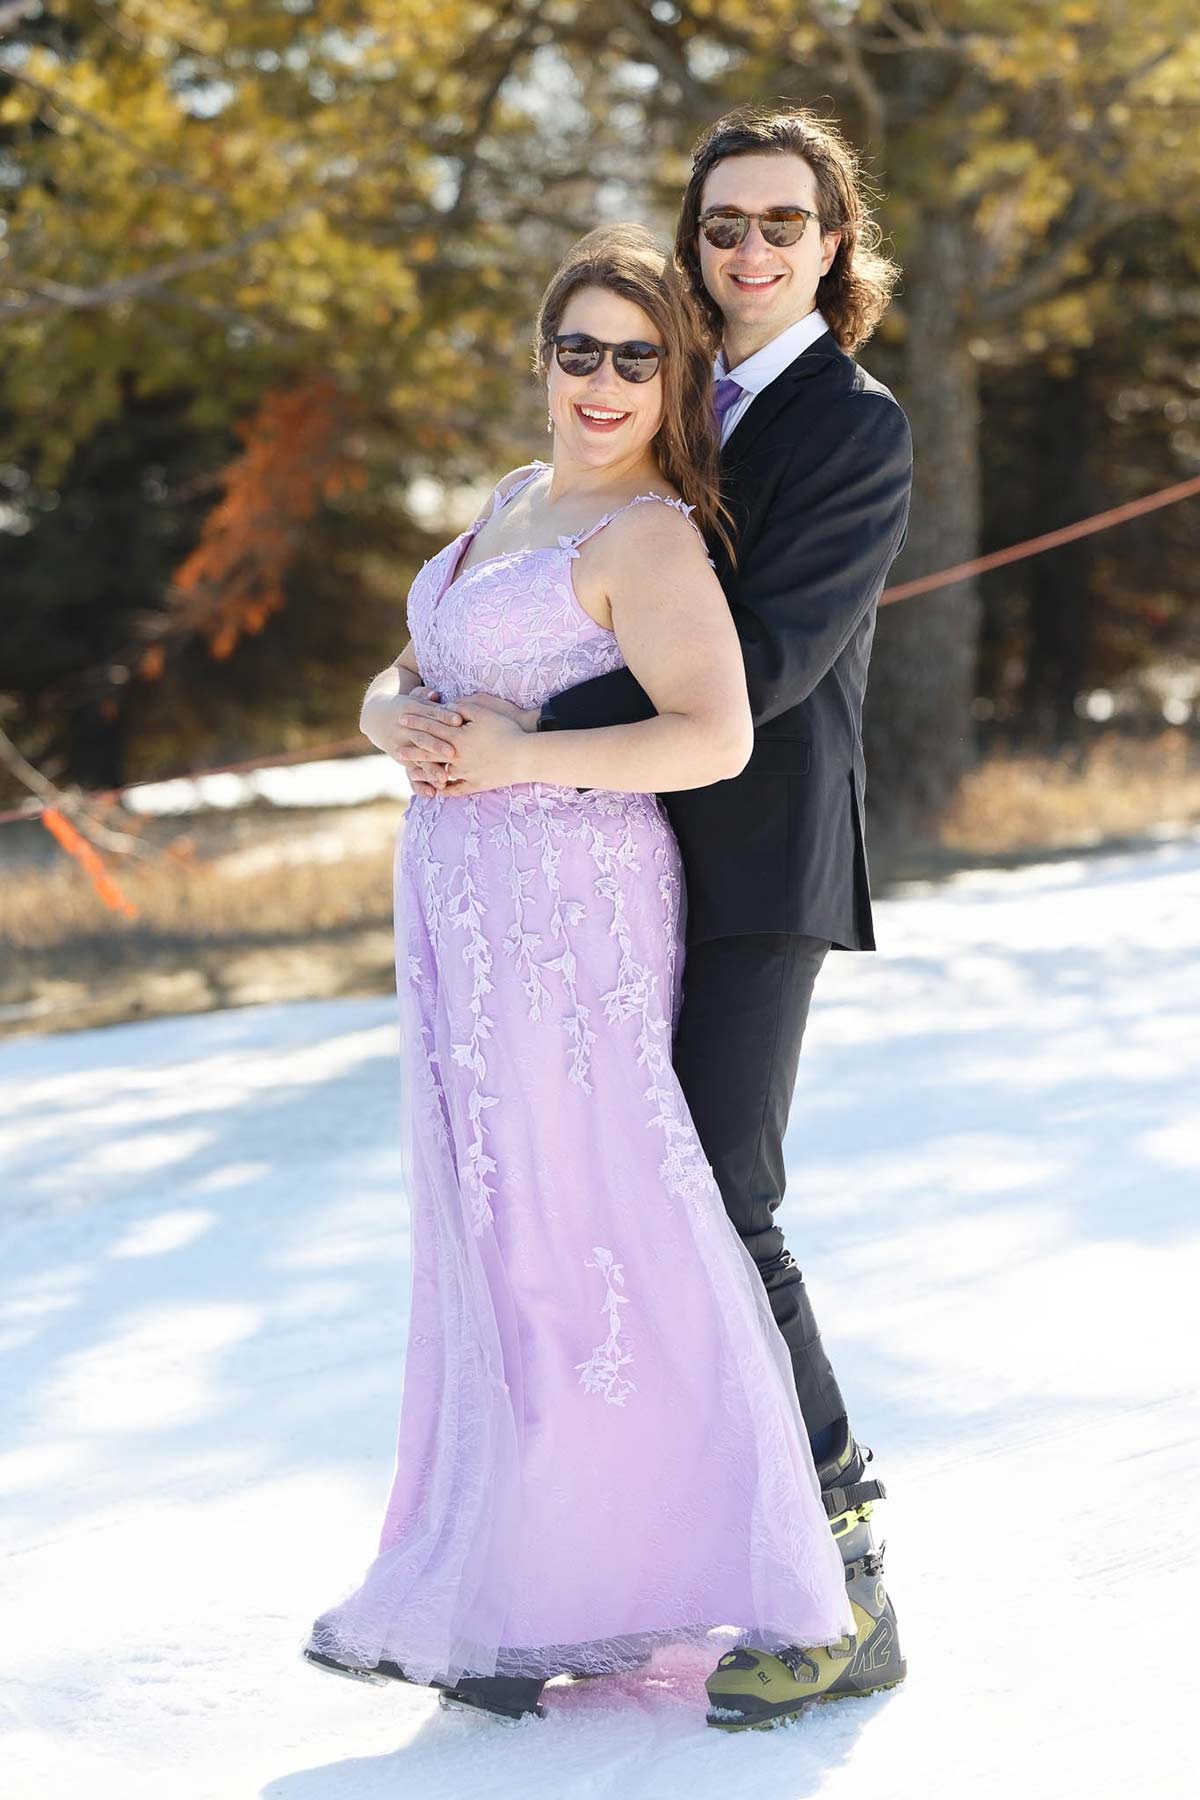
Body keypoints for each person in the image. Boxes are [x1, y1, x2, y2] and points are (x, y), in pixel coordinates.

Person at [397, 106, 914, 1730]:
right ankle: (608, 1566)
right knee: (586, 1210)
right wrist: (450, 699)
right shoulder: (658, 405)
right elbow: (522, 564)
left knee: (721, 1201)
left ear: (836, 244)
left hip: (747, 864)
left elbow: (758, 669)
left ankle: (843, 1571)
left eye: (781, 224)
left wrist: (516, 717)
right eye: (720, 227)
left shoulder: (851, 425)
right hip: (593, 875)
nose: (747, 252)